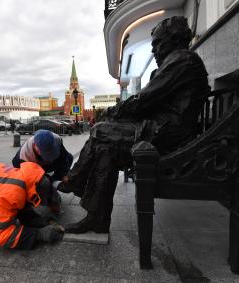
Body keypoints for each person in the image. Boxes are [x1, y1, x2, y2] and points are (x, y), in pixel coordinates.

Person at [59, 16, 210, 233]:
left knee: (100, 131)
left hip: (168, 135)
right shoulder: (178, 61)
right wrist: (117, 114)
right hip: (162, 130)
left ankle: (74, 179)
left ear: (175, 39)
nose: (154, 50)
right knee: (104, 149)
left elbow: (144, 100)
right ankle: (97, 218)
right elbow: (146, 102)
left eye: (158, 43)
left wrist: (111, 113)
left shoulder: (182, 60)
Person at [12, 130, 73, 213]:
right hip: (32, 166)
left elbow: (63, 159)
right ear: (35, 146)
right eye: (46, 154)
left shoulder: (56, 139)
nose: (50, 156)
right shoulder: (24, 157)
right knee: (44, 182)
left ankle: (55, 184)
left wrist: (63, 175)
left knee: (69, 158)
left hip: (48, 164)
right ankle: (49, 195)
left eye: (52, 152)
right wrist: (51, 188)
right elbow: (34, 179)